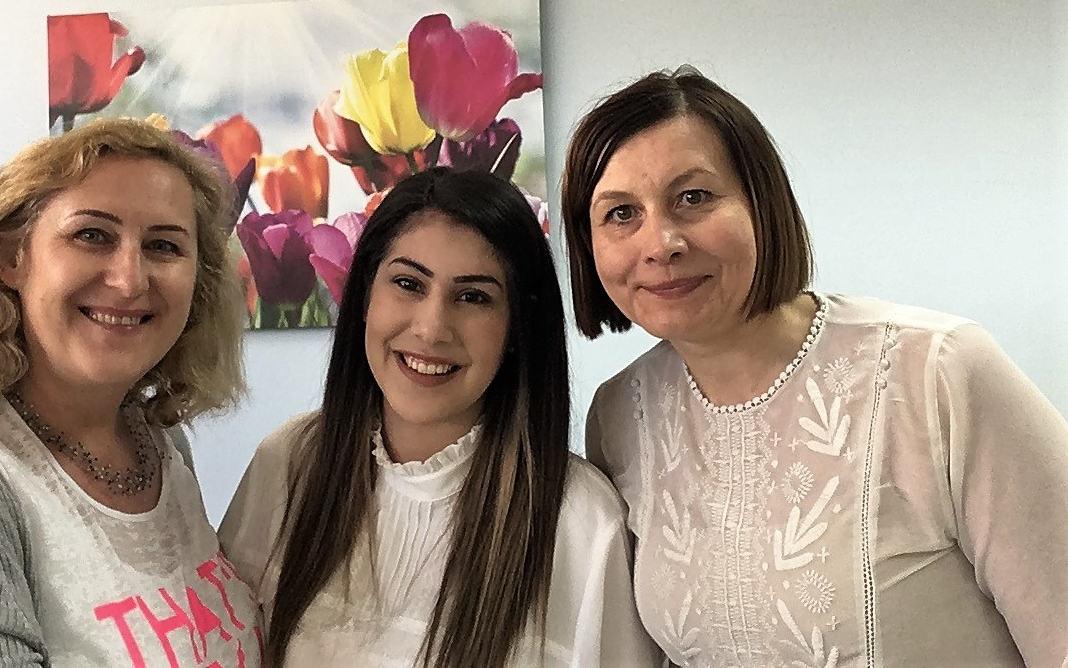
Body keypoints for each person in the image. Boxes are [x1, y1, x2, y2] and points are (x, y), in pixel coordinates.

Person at [561, 65, 1068, 667]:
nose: (661, 243)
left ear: (762, 203)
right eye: (621, 213)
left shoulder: (938, 374)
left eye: (693, 197)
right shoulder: (621, 415)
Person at [219, 167, 656, 668]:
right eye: (408, 283)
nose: (431, 329)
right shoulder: (290, 462)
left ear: (518, 328)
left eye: (473, 297)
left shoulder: (582, 523)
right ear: (364, 298)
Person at [0, 119, 263, 667]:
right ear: (10, 257)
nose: (130, 280)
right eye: (92, 235)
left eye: (163, 246)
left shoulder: (155, 441)